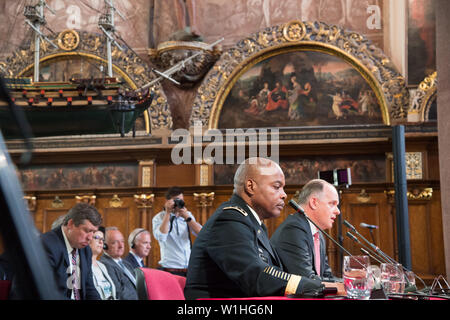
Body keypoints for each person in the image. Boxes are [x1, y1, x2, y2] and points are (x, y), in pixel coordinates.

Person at [184, 157, 337, 299]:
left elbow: (276, 273)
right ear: (250, 186)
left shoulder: (253, 223)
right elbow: (256, 276)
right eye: (277, 187)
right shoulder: (229, 219)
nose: (284, 195)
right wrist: (321, 287)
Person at [270, 179, 343, 284]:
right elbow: (308, 280)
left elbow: (327, 277)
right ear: (314, 203)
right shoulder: (294, 229)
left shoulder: (318, 235)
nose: (338, 211)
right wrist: (349, 284)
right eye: (332, 204)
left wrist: (353, 281)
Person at [40, 203, 102, 300]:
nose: (90, 238)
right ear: (70, 224)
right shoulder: (46, 245)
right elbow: (45, 291)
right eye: (86, 230)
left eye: (93, 232)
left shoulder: (85, 250)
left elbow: (89, 288)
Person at [152, 187, 202, 277]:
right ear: (167, 201)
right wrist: (167, 213)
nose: (179, 203)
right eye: (176, 200)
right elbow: (162, 237)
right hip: (170, 268)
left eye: (181, 200)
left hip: (188, 268)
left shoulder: (187, 216)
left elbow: (201, 233)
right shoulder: (158, 218)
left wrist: (187, 217)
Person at [100, 227, 138, 300]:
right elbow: (119, 294)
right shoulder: (105, 265)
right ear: (104, 246)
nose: (121, 246)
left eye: (122, 241)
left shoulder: (126, 264)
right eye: (115, 242)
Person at [89, 226, 117, 300]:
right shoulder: (82, 265)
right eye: (97, 237)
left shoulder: (102, 266)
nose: (101, 242)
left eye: (102, 239)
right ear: (88, 239)